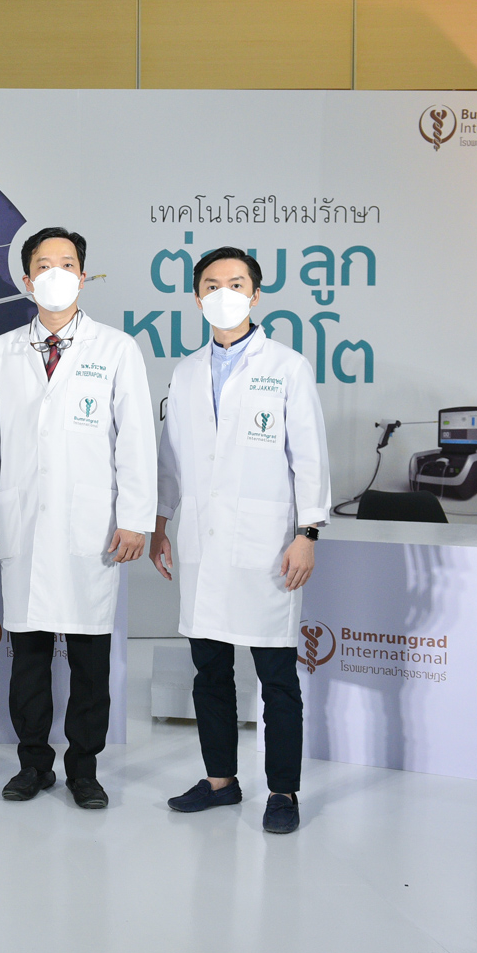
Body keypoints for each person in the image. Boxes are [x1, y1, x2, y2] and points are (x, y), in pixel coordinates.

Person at [0, 226, 157, 810]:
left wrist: (135, 517)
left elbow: (136, 440)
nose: (56, 274)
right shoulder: (4, 351)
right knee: (27, 658)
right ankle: (33, 764)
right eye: (44, 265)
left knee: (88, 659)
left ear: (83, 275)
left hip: (92, 525)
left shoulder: (116, 349)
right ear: (26, 279)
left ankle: (84, 769)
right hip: (23, 520)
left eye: (67, 264)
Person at [152, 246, 331, 835]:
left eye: (236, 283)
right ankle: (220, 782)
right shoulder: (186, 372)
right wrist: (161, 521)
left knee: (276, 676)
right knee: (210, 672)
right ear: (196, 297)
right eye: (211, 284)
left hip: (267, 544)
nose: (223, 293)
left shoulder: (287, 366)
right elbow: (173, 459)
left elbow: (309, 458)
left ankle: (283, 791)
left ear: (255, 294)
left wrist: (307, 532)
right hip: (203, 543)